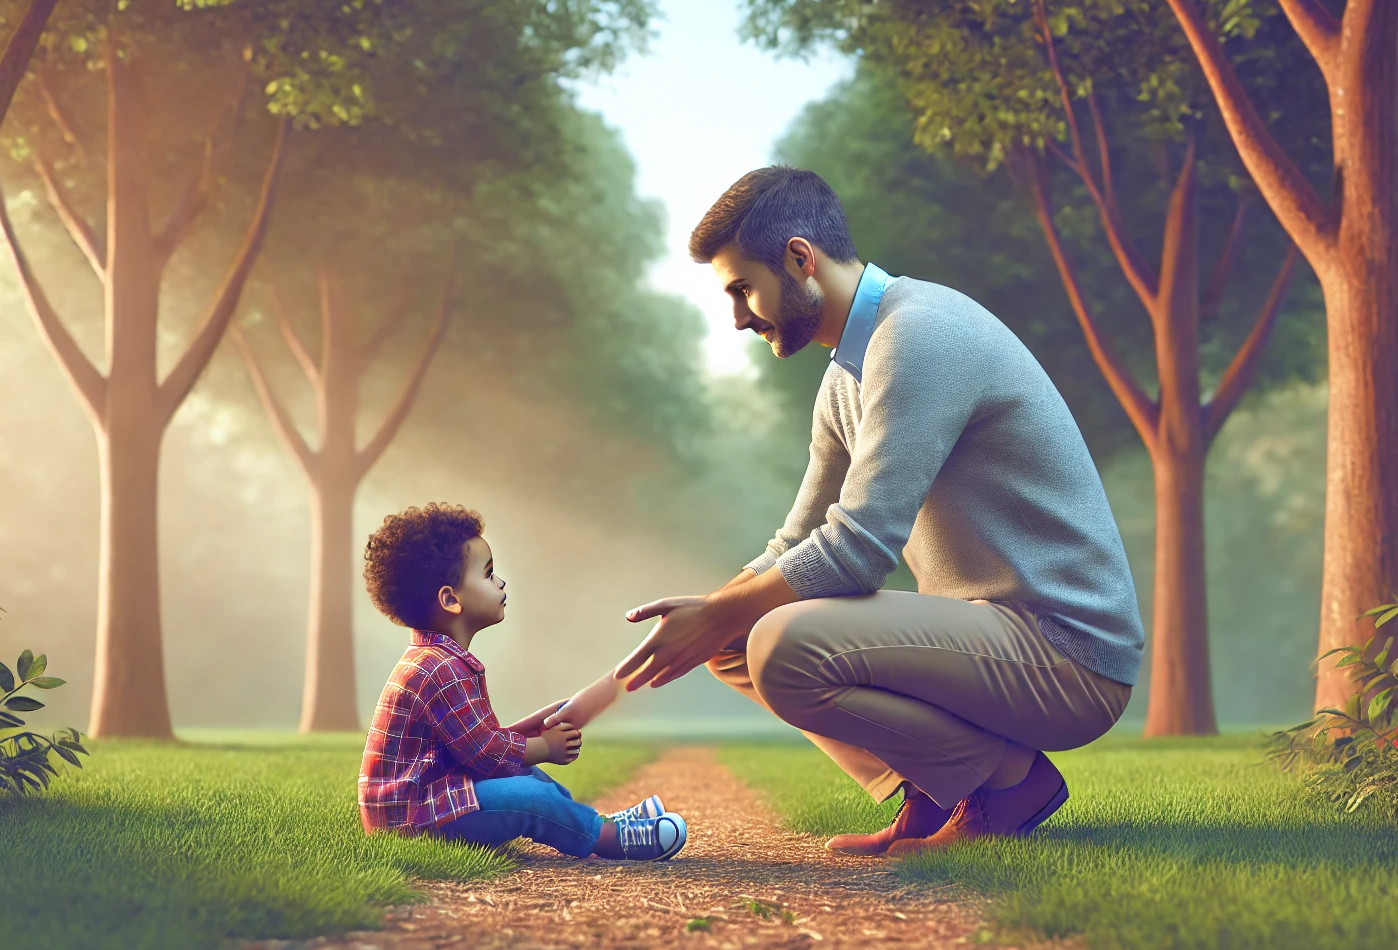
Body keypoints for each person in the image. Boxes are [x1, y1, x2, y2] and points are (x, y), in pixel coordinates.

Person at [585, 167, 1145, 856]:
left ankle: (1005, 787)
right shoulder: (844, 376)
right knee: (731, 640)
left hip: (1064, 655)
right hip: (987, 634)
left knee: (779, 642)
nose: (736, 318)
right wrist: (703, 617)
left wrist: (725, 613)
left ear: (800, 259)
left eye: (742, 289)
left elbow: (859, 550)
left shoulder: (917, 336)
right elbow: (796, 540)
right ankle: (931, 791)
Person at [357, 502, 686, 861]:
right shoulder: (440, 670)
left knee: (526, 775)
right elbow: (485, 754)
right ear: (451, 600)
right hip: (417, 818)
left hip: (432, 799)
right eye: (488, 574)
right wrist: (546, 746)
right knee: (531, 796)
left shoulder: (438, 660)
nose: (500, 582)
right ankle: (608, 838)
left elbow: (475, 744)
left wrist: (539, 726)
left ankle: (595, 822)